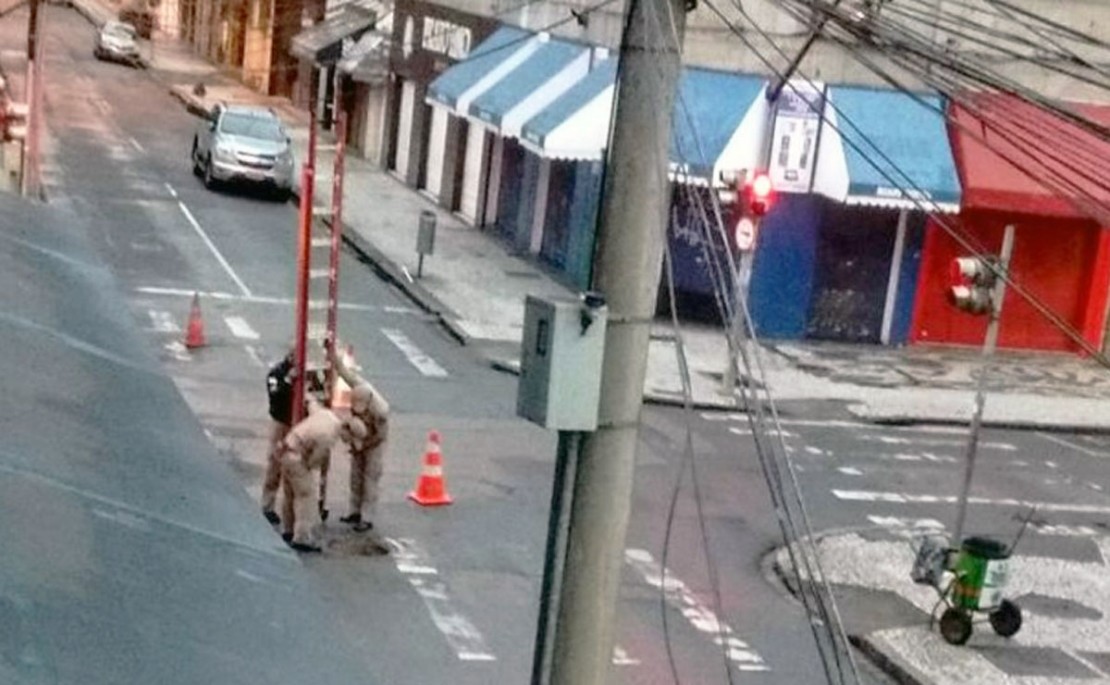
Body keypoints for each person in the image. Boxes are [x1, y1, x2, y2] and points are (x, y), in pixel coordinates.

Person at [279, 397, 367, 553]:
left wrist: (309, 398)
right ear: (347, 430)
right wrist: (307, 469)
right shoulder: (328, 438)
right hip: (296, 457)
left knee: (290, 493)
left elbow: (313, 405)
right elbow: (314, 461)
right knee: (306, 497)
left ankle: (288, 530)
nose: (348, 443)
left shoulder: (328, 416)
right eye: (350, 439)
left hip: (285, 448)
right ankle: (302, 539)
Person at [332, 343, 390, 532]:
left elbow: (380, 436)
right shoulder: (358, 387)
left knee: (370, 478)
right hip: (361, 438)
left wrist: (363, 446)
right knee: (355, 476)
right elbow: (345, 373)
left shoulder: (380, 411)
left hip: (374, 442)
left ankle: (367, 517)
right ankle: (354, 511)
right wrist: (333, 357)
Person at [261, 347, 295, 525]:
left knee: (297, 466)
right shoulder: (276, 374)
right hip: (281, 422)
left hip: (299, 423)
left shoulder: (309, 374)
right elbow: (275, 395)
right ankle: (268, 505)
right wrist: (289, 380)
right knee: (275, 463)